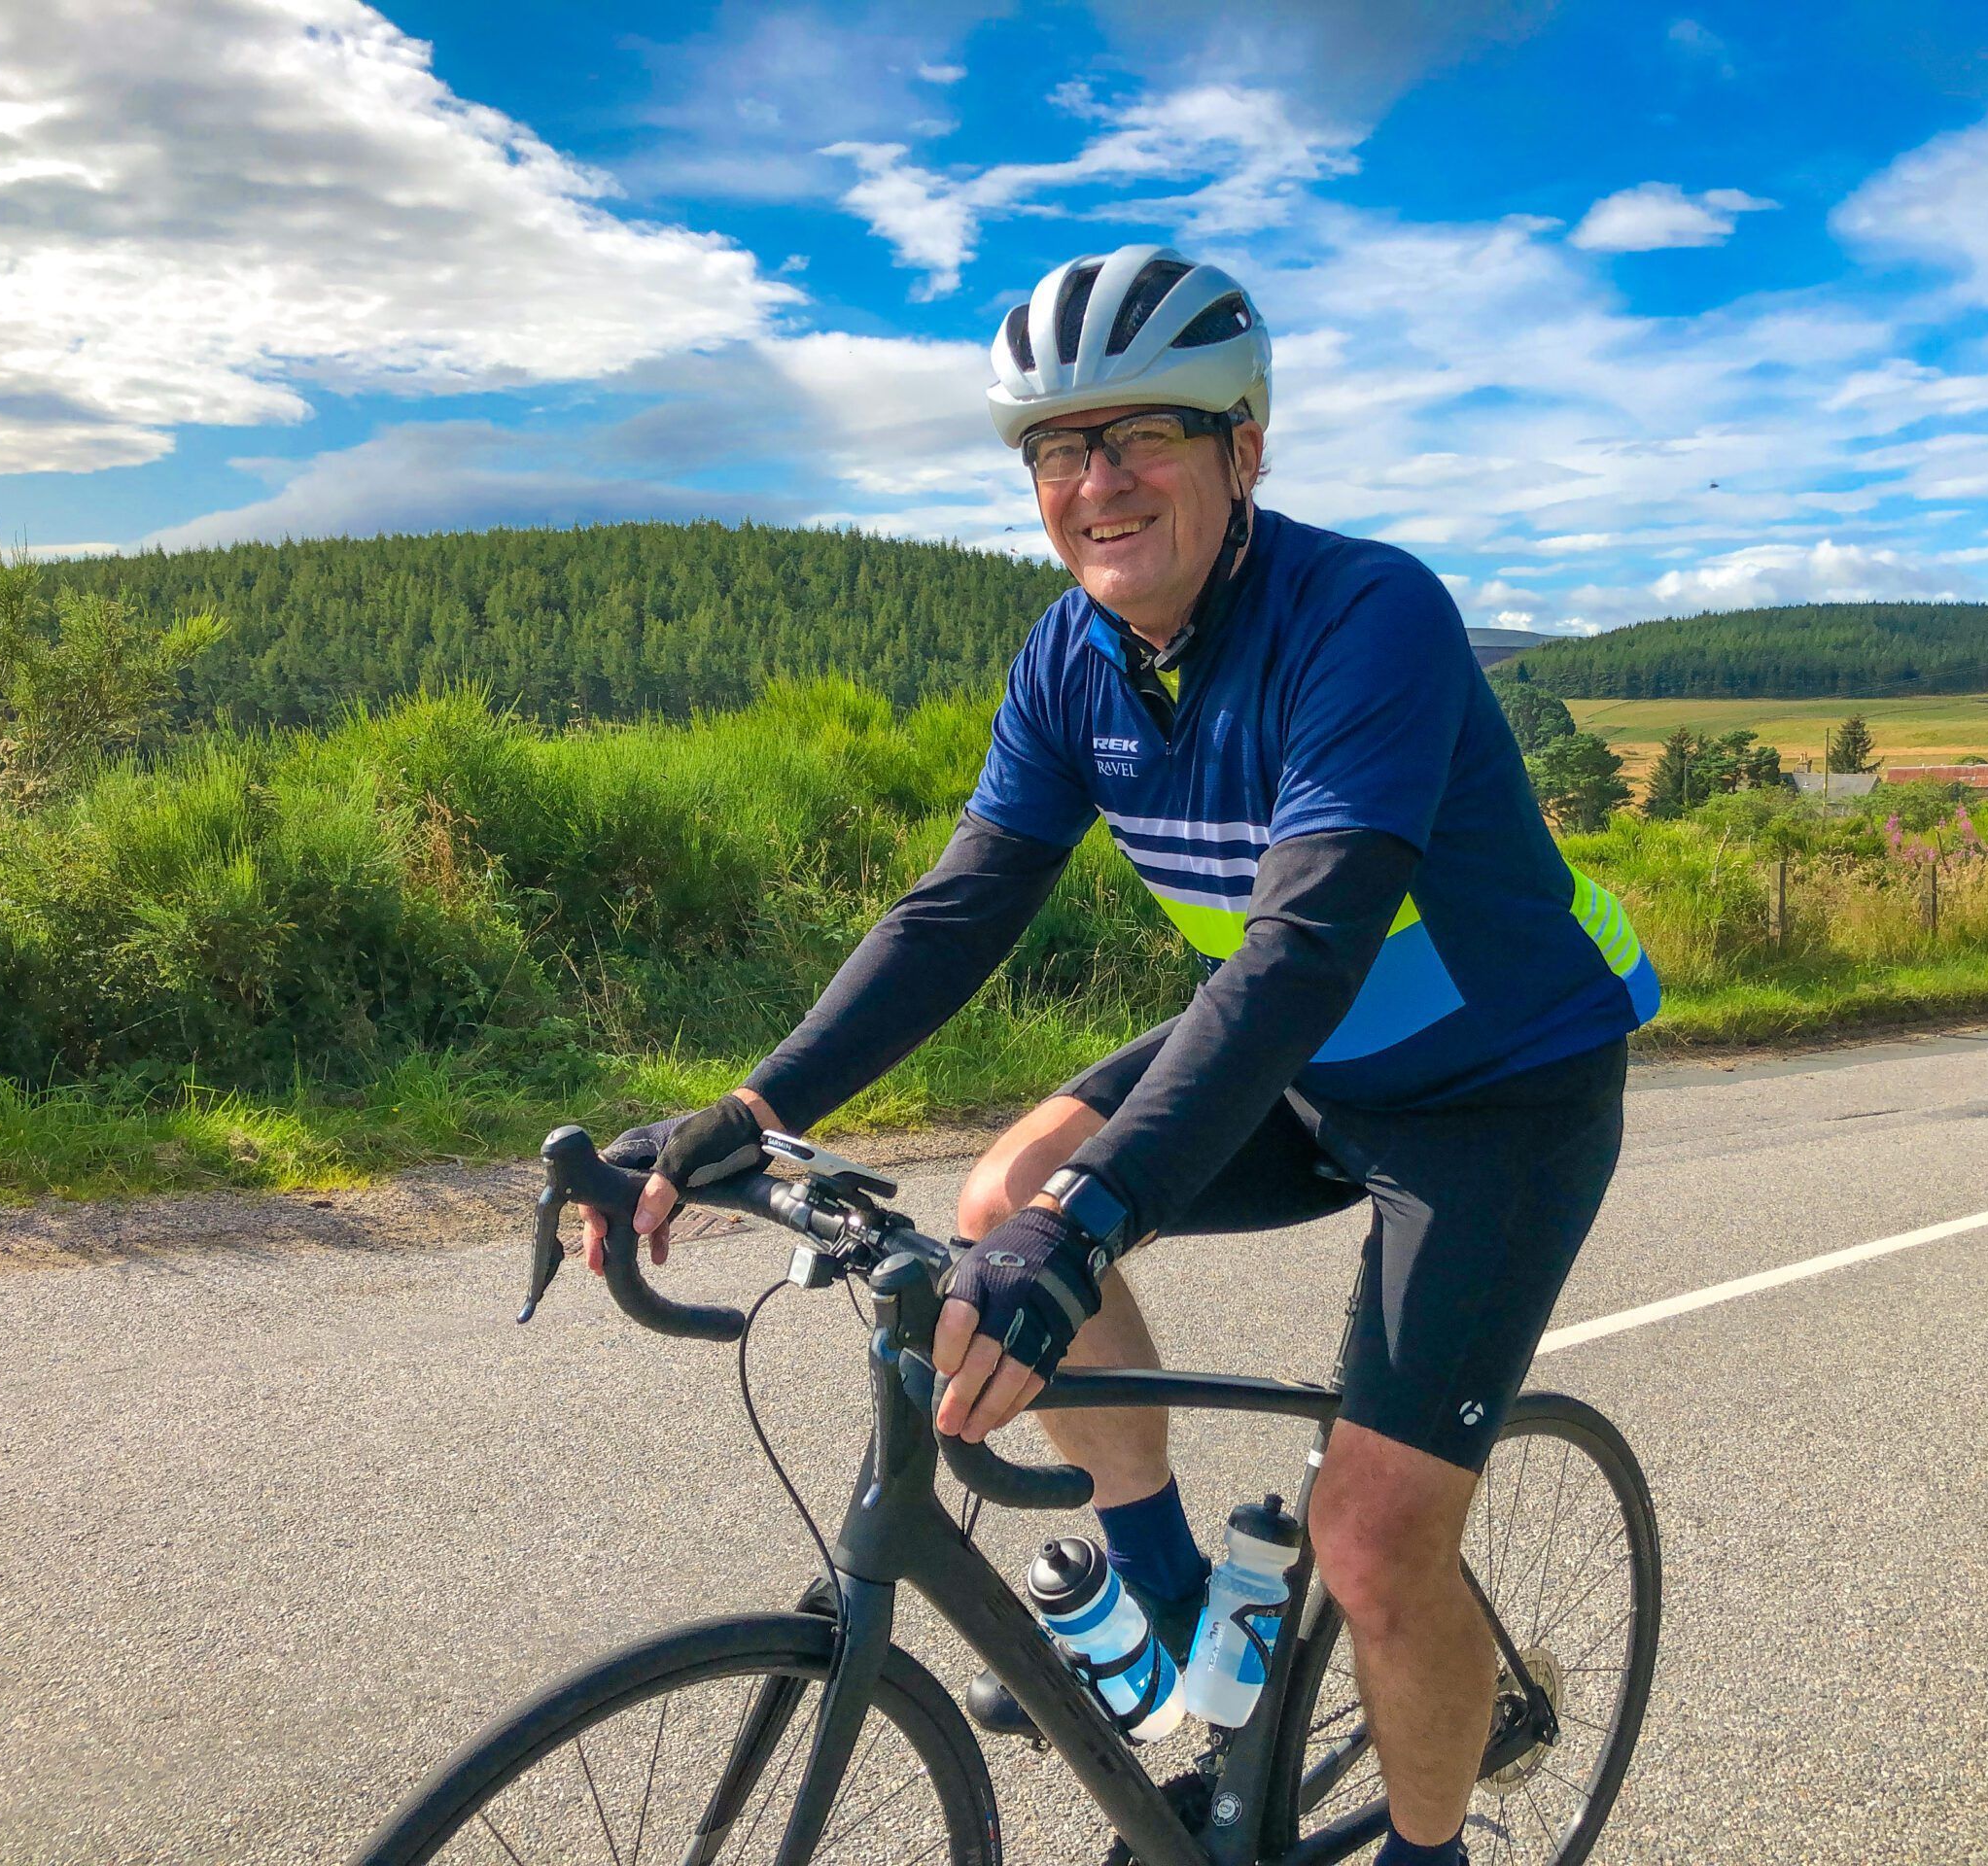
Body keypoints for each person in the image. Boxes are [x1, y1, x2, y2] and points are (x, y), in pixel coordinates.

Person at [581, 244, 1657, 1866]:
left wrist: (1088, 1234)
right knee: (1002, 1182)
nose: (1097, 484)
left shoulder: (1370, 617)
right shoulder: (1070, 658)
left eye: (1143, 436)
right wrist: (753, 1106)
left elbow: (1303, 942)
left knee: (1370, 1545)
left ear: (1245, 447)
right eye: (1055, 451)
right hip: (1303, 1057)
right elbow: (959, 913)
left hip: (1496, 1086)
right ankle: (1168, 1623)